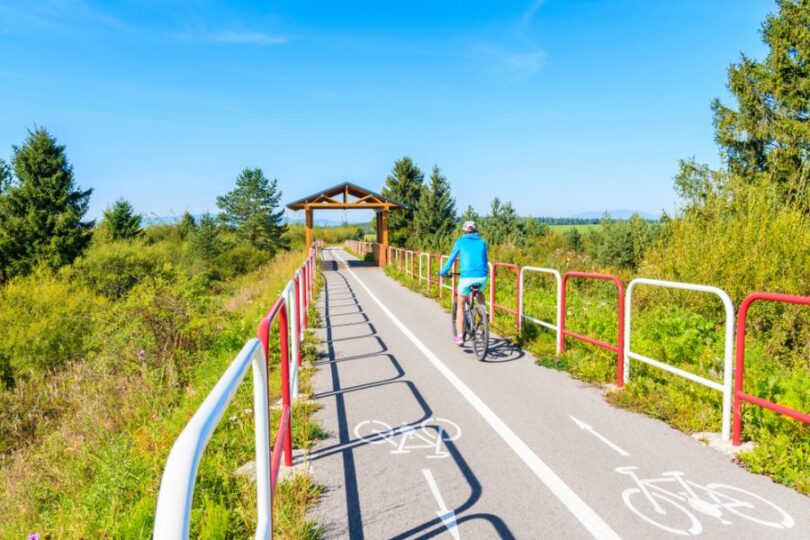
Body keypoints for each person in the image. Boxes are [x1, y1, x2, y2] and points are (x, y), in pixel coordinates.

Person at [439, 221, 489, 345]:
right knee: (480, 292)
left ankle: (460, 337)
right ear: (476, 231)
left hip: (466, 276)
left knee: (460, 305)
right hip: (482, 276)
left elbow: (451, 259)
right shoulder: (483, 243)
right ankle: (483, 311)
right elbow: (485, 259)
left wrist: (443, 272)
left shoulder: (460, 242)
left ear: (464, 231)